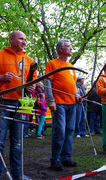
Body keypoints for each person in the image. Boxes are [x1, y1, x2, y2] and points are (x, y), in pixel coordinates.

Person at [0, 31, 36, 179]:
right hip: (2, 102)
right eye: (21, 38)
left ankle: (18, 175)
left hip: (20, 104)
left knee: (17, 142)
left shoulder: (29, 60)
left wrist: (30, 87)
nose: (24, 42)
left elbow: (32, 81)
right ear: (11, 39)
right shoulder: (0, 54)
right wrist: (1, 77)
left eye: (25, 39)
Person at [45, 39, 78, 171]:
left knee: (70, 130)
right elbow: (47, 83)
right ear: (60, 49)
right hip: (59, 103)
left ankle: (66, 158)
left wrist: (77, 94)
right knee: (60, 131)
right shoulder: (52, 63)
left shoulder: (70, 66)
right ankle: (55, 160)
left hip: (72, 103)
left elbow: (74, 85)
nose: (71, 48)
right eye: (68, 46)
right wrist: (51, 100)